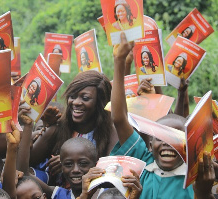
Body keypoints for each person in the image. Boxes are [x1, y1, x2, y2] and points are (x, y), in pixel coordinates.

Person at [110, 32, 194, 198]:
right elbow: (119, 118)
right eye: (161, 138)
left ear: (189, 146)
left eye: (175, 139)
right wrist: (119, 62)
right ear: (150, 143)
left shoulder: (193, 179)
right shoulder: (145, 161)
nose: (167, 144)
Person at [29, 70, 117, 177]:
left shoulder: (111, 133)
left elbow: (110, 174)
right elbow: (23, 167)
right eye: (72, 96)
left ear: (101, 102)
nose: (76, 102)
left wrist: (69, 163)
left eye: (85, 98)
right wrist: (28, 123)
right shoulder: (57, 129)